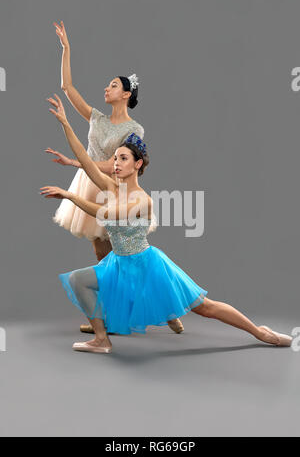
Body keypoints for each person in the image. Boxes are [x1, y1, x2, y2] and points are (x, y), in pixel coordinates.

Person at [39, 95, 293, 354]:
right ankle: (102, 340)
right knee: (77, 280)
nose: (116, 163)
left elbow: (108, 214)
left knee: (205, 307)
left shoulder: (142, 200)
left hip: (147, 266)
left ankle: (261, 332)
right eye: (115, 158)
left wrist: (71, 195)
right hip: (119, 264)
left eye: (123, 158)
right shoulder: (112, 187)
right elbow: (85, 159)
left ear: (137, 164)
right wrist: (66, 124)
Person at [46, 20, 184, 334]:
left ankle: (165, 308)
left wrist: (75, 162)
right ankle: (107, 314)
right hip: (89, 184)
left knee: (129, 256)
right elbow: (68, 89)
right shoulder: (96, 117)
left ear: (126, 94)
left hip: (112, 189)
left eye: (112, 86)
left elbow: (112, 166)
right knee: (102, 255)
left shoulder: (134, 130)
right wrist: (66, 48)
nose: (106, 89)